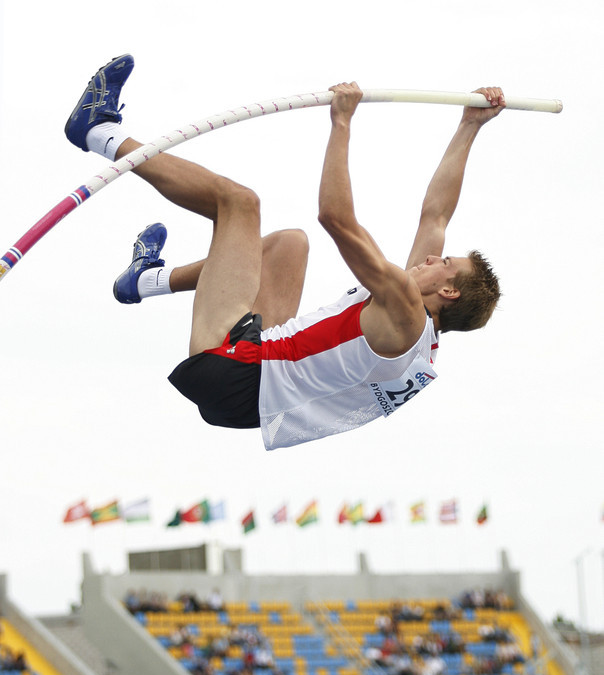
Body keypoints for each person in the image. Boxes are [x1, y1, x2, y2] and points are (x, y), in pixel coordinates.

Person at [65, 55, 503, 450]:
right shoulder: (418, 337)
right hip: (254, 393)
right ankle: (144, 281)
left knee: (238, 203)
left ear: (448, 293)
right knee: (287, 245)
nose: (432, 258)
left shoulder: (406, 310)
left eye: (444, 263)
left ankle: (99, 132)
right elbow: (436, 217)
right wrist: (469, 126)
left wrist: (342, 123)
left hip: (235, 373)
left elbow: (336, 218)